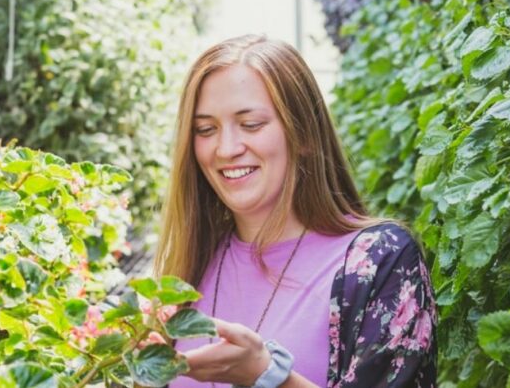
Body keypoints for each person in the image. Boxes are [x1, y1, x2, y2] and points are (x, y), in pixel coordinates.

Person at [154, 35, 437, 388]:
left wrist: (269, 377)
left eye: (252, 124)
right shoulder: (186, 270)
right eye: (205, 130)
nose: (225, 149)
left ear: (303, 135)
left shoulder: (380, 262)